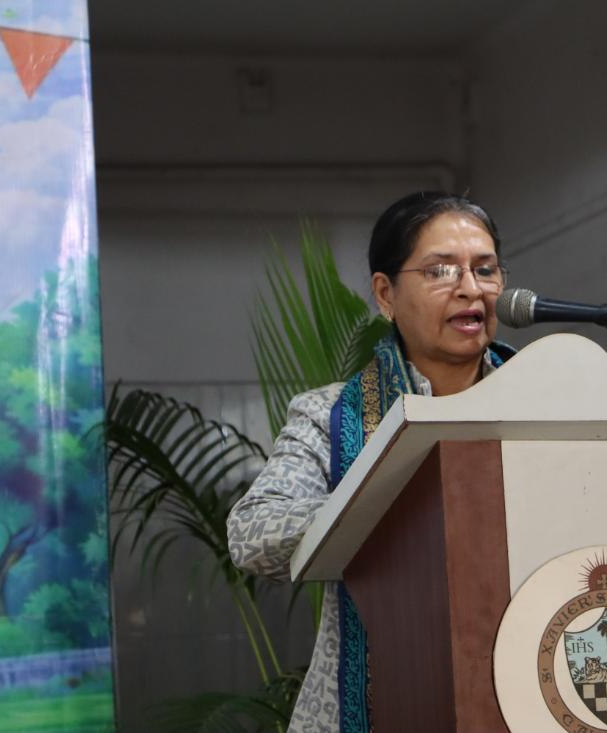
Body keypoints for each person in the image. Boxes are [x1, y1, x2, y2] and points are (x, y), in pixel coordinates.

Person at [227, 191, 514, 733]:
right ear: (386, 294)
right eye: (441, 271)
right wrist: (385, 501)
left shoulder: (545, 404)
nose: (471, 289)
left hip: (525, 684)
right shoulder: (332, 415)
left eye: (485, 269)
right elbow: (251, 533)